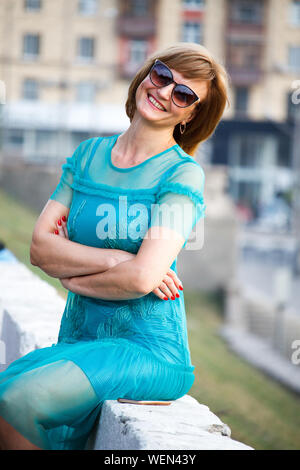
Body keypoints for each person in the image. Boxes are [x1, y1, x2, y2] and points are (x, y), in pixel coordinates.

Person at [0, 42, 229, 450]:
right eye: (162, 76)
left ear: (191, 114)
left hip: (148, 350)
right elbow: (39, 248)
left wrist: (72, 275)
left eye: (184, 94)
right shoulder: (87, 156)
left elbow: (142, 279)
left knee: (17, 400)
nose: (164, 91)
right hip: (79, 338)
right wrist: (115, 258)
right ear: (146, 75)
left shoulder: (182, 175)